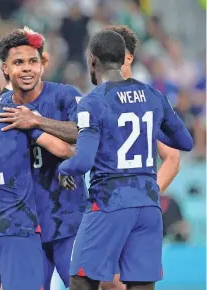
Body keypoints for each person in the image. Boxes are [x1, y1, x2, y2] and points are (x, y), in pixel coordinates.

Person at [58, 30, 193, 290]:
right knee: (141, 285)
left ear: (92, 60)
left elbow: (83, 161)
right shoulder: (153, 96)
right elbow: (185, 142)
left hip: (110, 203)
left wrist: (65, 169)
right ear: (123, 59)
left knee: (81, 281)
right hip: (148, 204)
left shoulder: (93, 102)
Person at [0, 27, 88, 289]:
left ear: (43, 64)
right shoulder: (0, 109)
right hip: (25, 229)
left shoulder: (65, 95)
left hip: (68, 221)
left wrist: (36, 120)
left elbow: (82, 133)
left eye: (33, 61)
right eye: (18, 62)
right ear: (4, 69)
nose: (27, 68)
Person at [100, 25, 182, 290]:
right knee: (107, 282)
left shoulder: (149, 102)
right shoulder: (96, 100)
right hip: (105, 205)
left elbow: (171, 158)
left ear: (127, 58)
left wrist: (145, 195)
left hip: (131, 209)